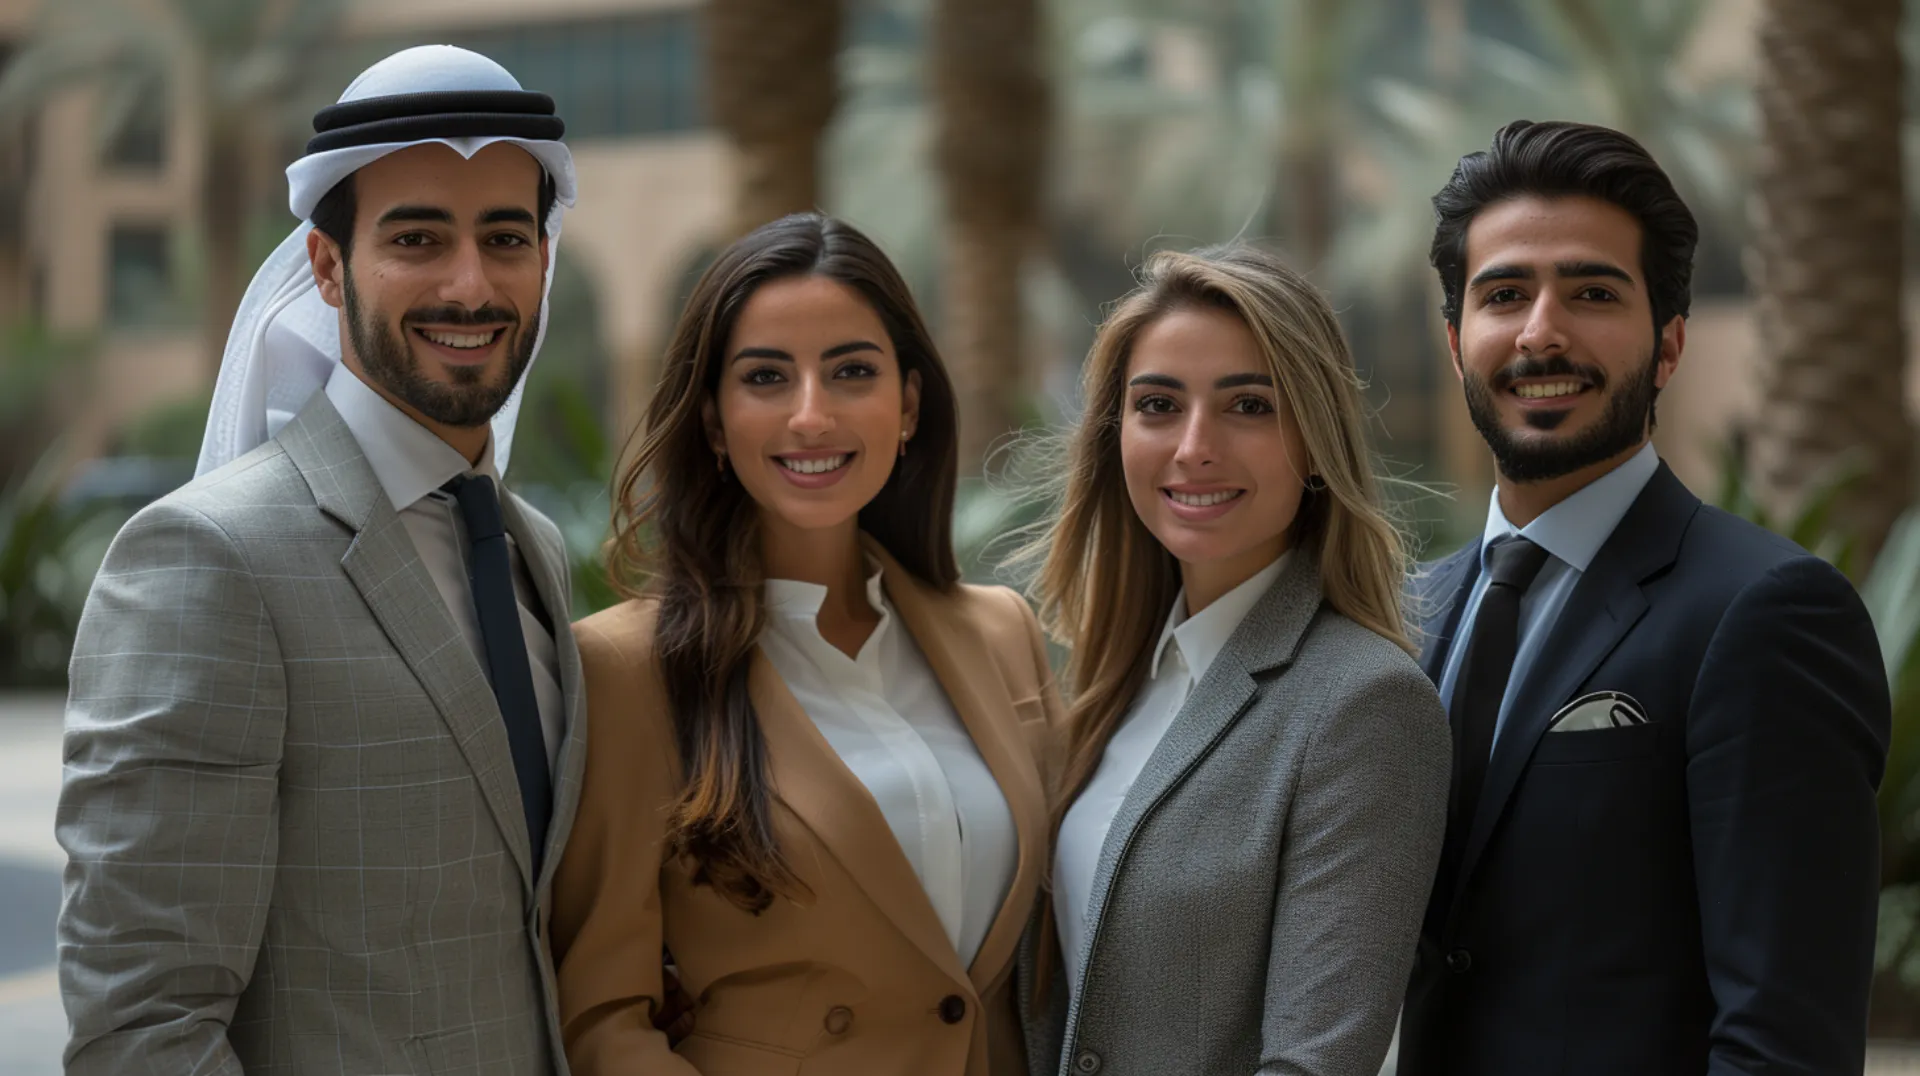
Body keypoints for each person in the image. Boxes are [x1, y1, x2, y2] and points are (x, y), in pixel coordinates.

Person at [57, 46, 589, 1074]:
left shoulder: (541, 552)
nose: (469, 283)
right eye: (418, 237)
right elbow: (143, 1025)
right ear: (329, 266)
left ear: (544, 263)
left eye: (504, 237)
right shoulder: (208, 559)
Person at [1398, 119, 1892, 1076]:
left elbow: (1785, 1041)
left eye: (1591, 292)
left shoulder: (1768, 614)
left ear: (1667, 347)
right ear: (1459, 341)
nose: (1542, 330)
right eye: (1505, 295)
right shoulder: (1413, 609)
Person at [550, 212, 1060, 1076]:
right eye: (766, 377)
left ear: (908, 405)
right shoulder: (625, 668)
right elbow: (601, 1018)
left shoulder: (1000, 631)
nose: (812, 415)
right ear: (713, 421)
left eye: (852, 372)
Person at [1011, 244, 1451, 1076]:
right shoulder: (1113, 686)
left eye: (1248, 405)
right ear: (1116, 437)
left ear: (1316, 441)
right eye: (1158, 406)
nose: (1194, 446)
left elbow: (1316, 1061)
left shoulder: (1365, 705)